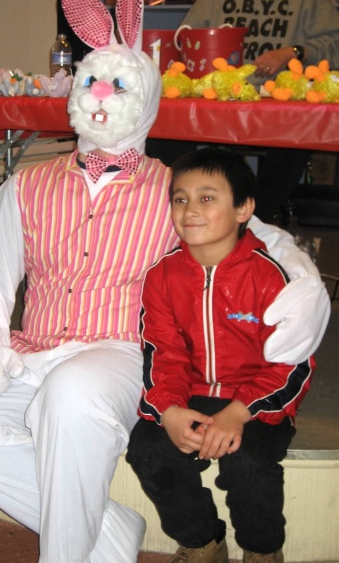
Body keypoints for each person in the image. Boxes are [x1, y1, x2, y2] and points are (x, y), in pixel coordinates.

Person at [0, 0, 329, 563]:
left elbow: (257, 232)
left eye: (118, 85)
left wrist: (303, 277)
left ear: (143, 98)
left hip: (118, 352)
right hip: (32, 348)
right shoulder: (27, 184)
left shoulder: (173, 188)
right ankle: (109, 533)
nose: (101, 95)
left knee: (71, 397)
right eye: (93, 80)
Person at [126, 147, 316, 563]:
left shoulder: (274, 278)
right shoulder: (162, 276)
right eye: (180, 198)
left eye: (207, 198)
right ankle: (202, 543)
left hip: (256, 401)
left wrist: (239, 412)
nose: (190, 210)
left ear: (244, 208)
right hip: (191, 392)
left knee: (248, 463)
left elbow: (294, 364)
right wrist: (170, 409)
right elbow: (162, 352)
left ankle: (262, 551)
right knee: (148, 449)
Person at [146, 0, 339, 223]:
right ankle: (194, 210)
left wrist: (292, 52)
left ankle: (254, 221)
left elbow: (335, 44)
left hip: (280, 100)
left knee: (298, 142)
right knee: (160, 132)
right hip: (218, 100)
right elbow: (186, 38)